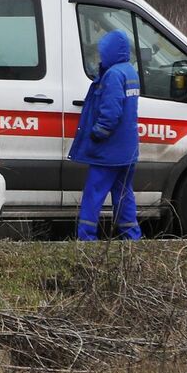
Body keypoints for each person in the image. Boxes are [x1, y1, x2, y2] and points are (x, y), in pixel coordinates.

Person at [69, 28, 141, 241]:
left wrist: (97, 133)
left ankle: (86, 239)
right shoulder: (130, 72)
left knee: (93, 194)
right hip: (127, 151)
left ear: (111, 52)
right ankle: (132, 237)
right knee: (124, 195)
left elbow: (111, 112)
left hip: (109, 151)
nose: (101, 55)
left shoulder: (113, 75)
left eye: (103, 51)